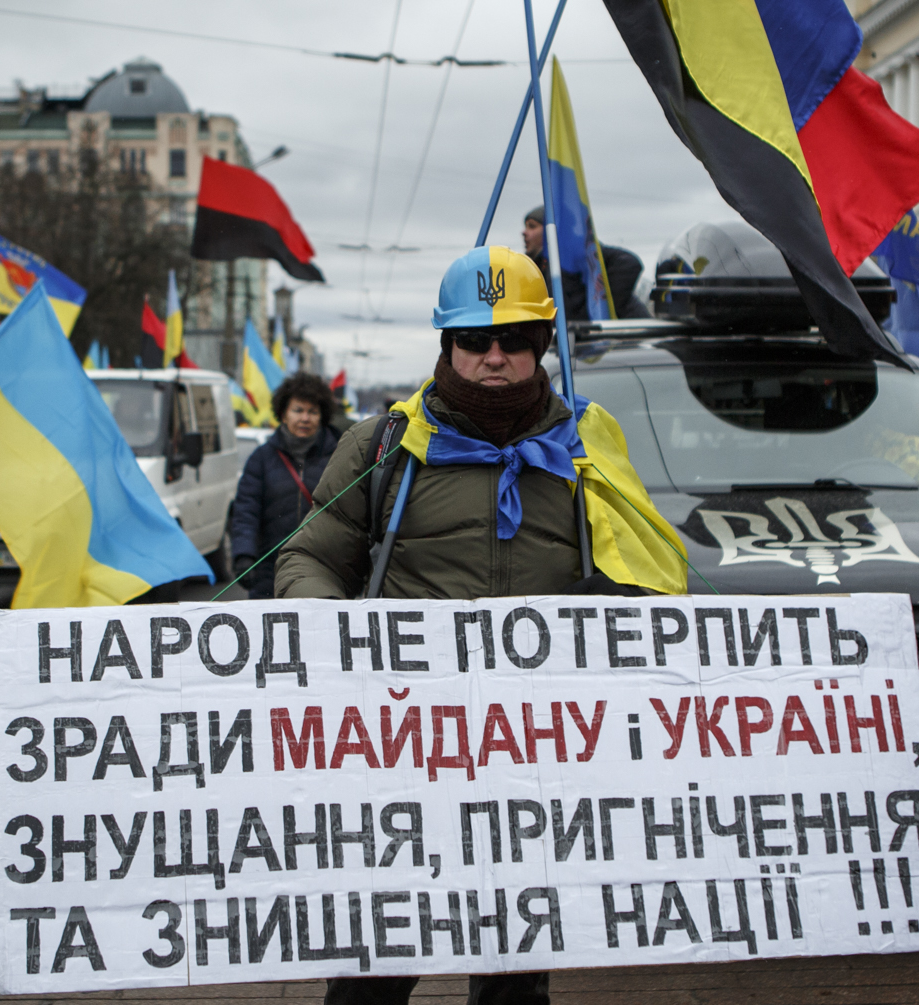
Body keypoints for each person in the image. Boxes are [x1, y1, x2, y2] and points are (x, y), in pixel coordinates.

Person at [276, 247, 686, 1005]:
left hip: (534, 754)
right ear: (446, 345)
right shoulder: (382, 446)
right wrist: (332, 633)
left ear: (542, 345)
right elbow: (310, 557)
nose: (494, 357)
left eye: (515, 340)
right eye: (474, 340)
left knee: (514, 967)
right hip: (402, 748)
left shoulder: (591, 444)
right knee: (377, 959)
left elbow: (644, 575)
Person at [227, 372, 341, 598]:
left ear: (322, 416)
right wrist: (243, 555)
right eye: (298, 410)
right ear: (283, 414)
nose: (305, 418)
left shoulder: (340, 457)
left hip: (323, 569)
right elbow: (246, 511)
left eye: (312, 412)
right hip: (270, 568)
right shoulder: (261, 458)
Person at [521, 204, 648, 321]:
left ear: (553, 230)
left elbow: (629, 263)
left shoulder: (579, 251)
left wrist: (599, 310)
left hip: (631, 335)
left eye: (532, 226)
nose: (524, 232)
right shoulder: (537, 268)